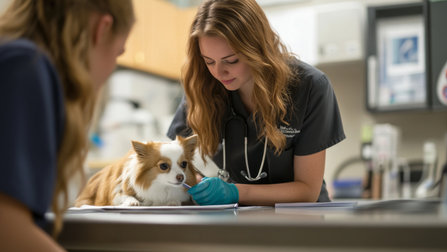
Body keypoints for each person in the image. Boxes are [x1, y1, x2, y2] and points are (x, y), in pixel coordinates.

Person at [167, 0, 345, 206]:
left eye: (231, 60)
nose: (218, 72)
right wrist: (197, 184)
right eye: (209, 61)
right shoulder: (202, 88)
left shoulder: (309, 87)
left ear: (256, 49)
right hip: (241, 220)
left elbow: (307, 190)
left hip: (301, 221)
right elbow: (175, 161)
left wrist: (235, 192)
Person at [0, 0, 134, 251]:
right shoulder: (26, 67)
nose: (111, 69)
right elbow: (7, 230)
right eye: (118, 53)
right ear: (102, 29)